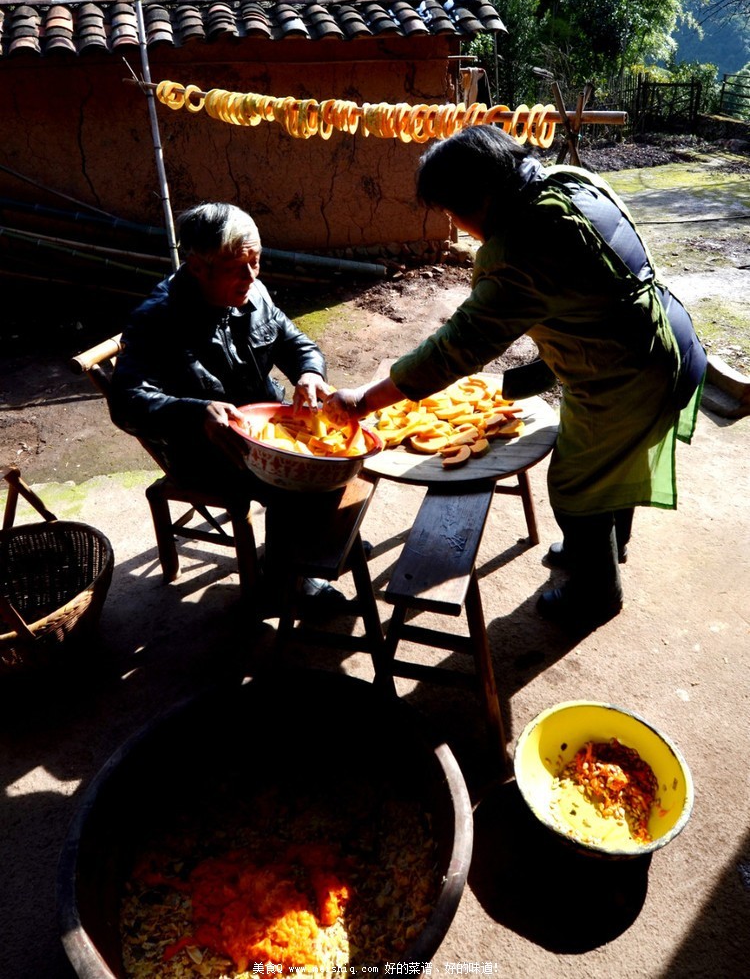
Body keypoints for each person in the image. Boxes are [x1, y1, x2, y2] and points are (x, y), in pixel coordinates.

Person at [325, 127, 706, 632]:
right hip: (660, 339)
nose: (455, 224)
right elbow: (592, 286)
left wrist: (366, 398)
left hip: (630, 372)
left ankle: (597, 592)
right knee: (608, 463)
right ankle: (600, 549)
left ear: (481, 198)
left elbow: (455, 349)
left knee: (577, 482)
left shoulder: (523, 244)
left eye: (451, 212)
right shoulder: (568, 183)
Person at [109, 201, 351, 613]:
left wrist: (309, 373)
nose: (251, 276)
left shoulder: (252, 291)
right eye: (238, 267)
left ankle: (308, 541)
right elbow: (126, 401)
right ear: (198, 267)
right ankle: (286, 581)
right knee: (302, 479)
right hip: (206, 448)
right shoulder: (158, 319)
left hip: (264, 424)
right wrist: (195, 412)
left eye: (256, 262)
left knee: (338, 451)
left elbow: (295, 343)